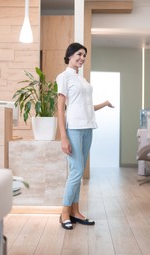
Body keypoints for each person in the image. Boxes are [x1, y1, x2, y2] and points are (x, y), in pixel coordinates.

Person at [56, 42, 114, 230]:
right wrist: (63, 136)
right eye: (79, 54)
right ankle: (64, 212)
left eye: (84, 56)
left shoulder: (83, 80)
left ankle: (75, 210)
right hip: (73, 128)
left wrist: (104, 103)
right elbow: (61, 108)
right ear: (70, 55)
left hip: (88, 128)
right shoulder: (64, 77)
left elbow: (87, 107)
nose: (82, 58)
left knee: (78, 171)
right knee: (77, 170)